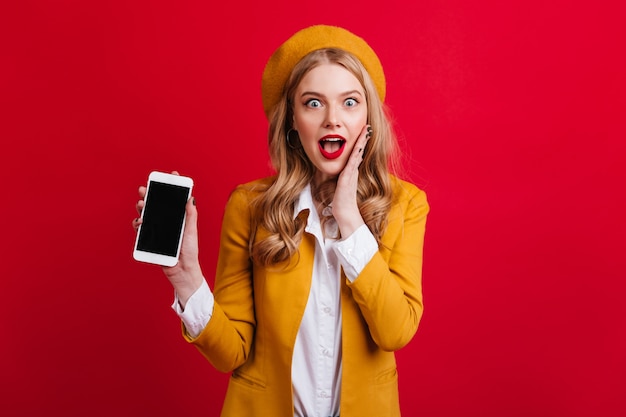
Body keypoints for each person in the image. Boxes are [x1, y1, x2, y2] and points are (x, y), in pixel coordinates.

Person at [133, 24, 429, 417]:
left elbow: (395, 331)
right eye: (313, 103)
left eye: (350, 102)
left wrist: (348, 219)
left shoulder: (405, 205)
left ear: (368, 119)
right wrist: (186, 276)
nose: (332, 120)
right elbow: (231, 352)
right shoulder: (250, 206)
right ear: (292, 120)